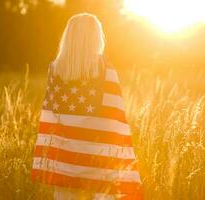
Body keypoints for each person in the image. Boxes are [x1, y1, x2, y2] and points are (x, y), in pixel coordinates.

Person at [31, 13, 143, 200]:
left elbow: (51, 117)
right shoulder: (107, 71)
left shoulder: (55, 69)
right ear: (96, 38)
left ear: (69, 37)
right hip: (98, 160)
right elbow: (115, 121)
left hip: (65, 157)